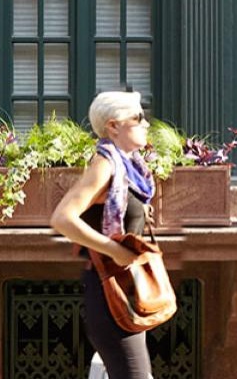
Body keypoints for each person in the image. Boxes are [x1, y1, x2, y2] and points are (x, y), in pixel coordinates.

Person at [50, 91, 157, 379]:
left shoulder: (128, 166)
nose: (146, 123)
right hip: (110, 293)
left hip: (126, 289)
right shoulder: (105, 164)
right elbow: (62, 218)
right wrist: (115, 250)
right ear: (114, 126)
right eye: (138, 118)